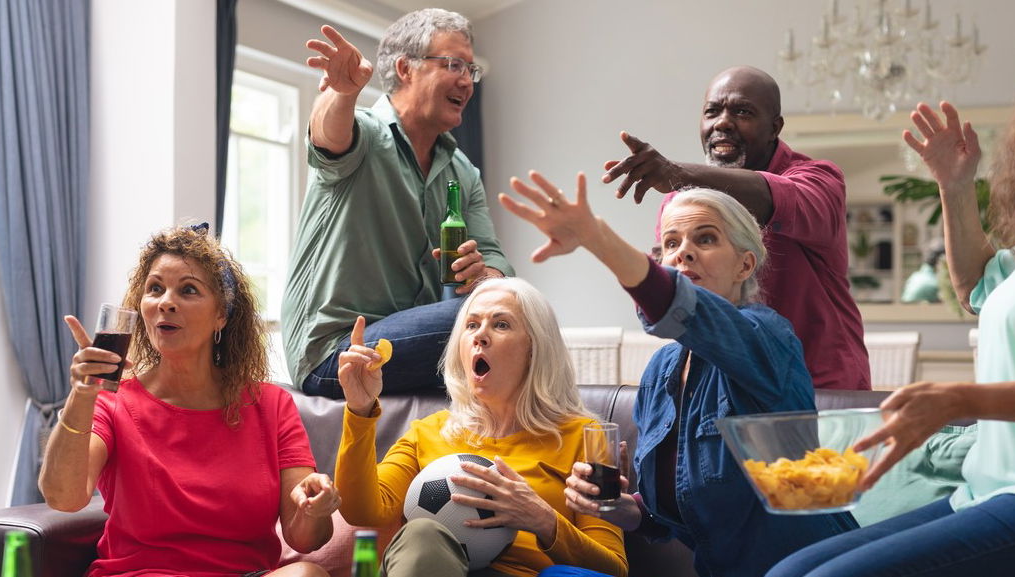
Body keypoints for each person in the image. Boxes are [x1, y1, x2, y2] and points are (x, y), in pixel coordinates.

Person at [768, 16, 1015, 577]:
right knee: (790, 572)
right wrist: (955, 184)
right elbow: (978, 289)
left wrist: (964, 400)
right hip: (991, 490)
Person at [500, 172, 857, 577]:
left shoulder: (768, 339)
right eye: (671, 244)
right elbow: (674, 517)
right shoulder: (661, 371)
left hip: (814, 565)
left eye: (705, 239)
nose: (683, 253)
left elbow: (678, 306)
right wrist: (625, 508)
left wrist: (597, 238)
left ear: (746, 264)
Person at [40, 224, 338, 577]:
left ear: (221, 316)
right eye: (155, 289)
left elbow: (304, 539)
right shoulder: (113, 403)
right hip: (140, 574)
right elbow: (63, 497)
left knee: (307, 574)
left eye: (188, 290)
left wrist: (314, 509)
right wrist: (81, 395)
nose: (166, 302)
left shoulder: (271, 405)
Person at [283, 8, 514, 399]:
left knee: (509, 306)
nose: (466, 82)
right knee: (492, 320)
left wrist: (484, 277)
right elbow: (327, 137)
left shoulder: (464, 172)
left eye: (471, 71)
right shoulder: (365, 133)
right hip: (336, 351)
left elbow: (496, 263)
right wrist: (341, 93)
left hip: (412, 344)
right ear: (406, 68)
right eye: (454, 64)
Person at [333, 277, 628, 577]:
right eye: (471, 325)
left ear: (534, 348)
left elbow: (614, 570)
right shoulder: (428, 432)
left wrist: (542, 519)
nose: (480, 336)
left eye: (501, 325)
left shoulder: (586, 438)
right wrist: (360, 408)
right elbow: (361, 511)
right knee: (423, 535)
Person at [602, 66, 869, 391]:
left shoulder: (820, 180)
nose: (723, 123)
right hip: (724, 392)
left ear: (775, 128)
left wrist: (677, 174)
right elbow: (669, 294)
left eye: (742, 112)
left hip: (821, 390)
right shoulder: (678, 197)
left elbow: (773, 197)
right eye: (712, 111)